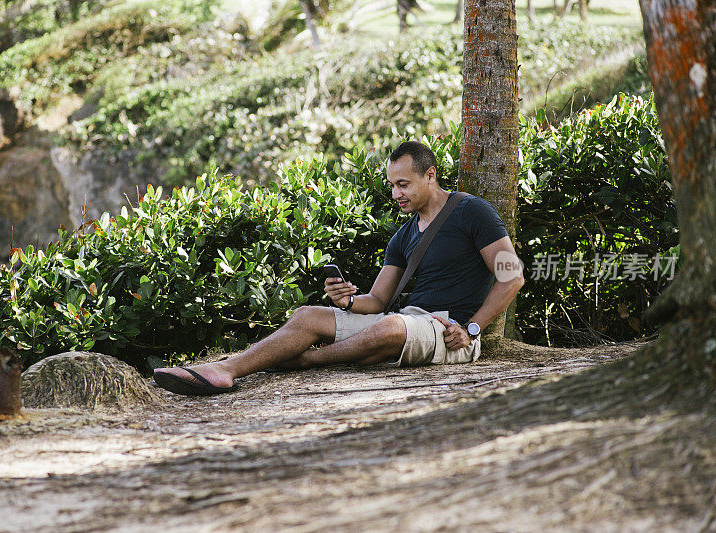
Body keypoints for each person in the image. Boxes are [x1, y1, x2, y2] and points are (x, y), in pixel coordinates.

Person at [153, 141, 524, 396]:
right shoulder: (403, 235)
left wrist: (472, 328)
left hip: (447, 331)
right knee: (309, 315)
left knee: (391, 328)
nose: (396, 194)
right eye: (392, 185)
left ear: (431, 175)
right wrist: (347, 302)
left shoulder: (472, 211)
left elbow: (512, 276)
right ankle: (225, 371)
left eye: (404, 184)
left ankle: (301, 361)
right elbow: (378, 300)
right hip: (404, 320)